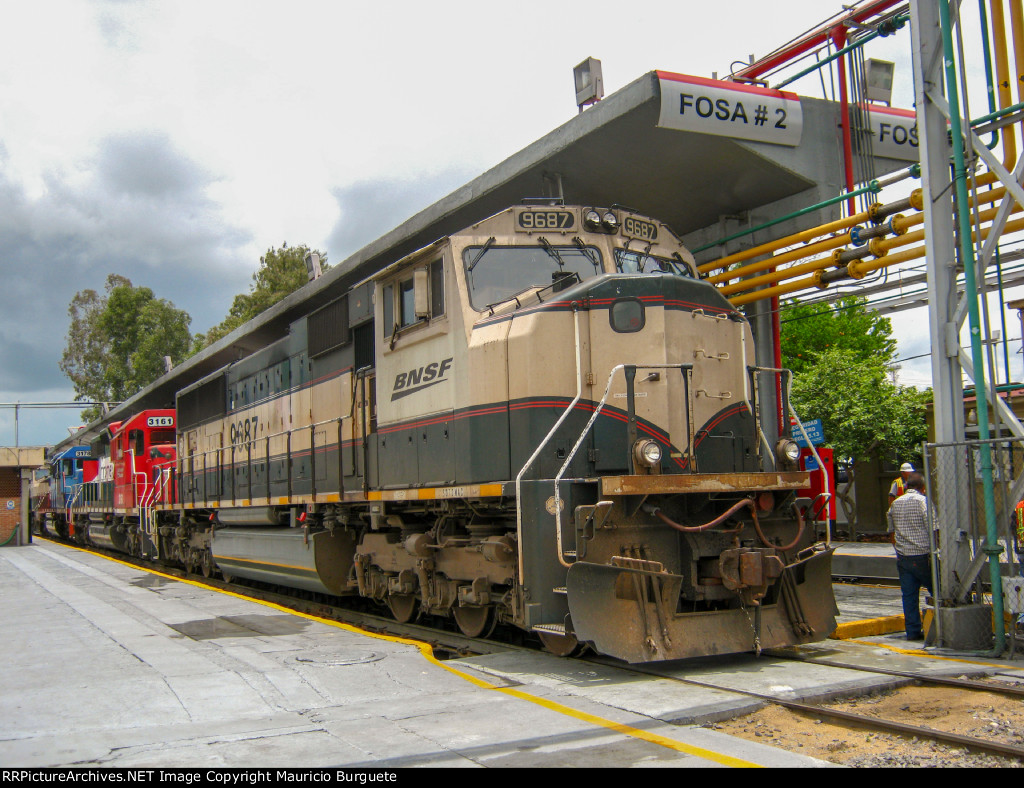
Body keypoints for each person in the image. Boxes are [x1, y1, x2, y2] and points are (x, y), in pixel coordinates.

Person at [887, 473, 933, 641]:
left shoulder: (895, 504)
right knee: (937, 590)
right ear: (923, 488)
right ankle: (941, 626)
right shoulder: (923, 502)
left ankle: (913, 631)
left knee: (909, 596)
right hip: (923, 555)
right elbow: (933, 528)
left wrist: (898, 550)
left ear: (906, 487)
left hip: (903, 556)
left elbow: (891, 531)